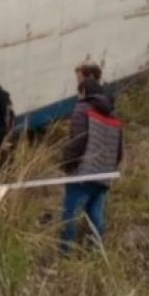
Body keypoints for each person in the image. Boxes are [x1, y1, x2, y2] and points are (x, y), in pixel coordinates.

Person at [60, 78, 123, 254]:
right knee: (95, 213)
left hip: (83, 172)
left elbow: (77, 140)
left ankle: (66, 253)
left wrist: (67, 164)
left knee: (70, 214)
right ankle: (97, 249)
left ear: (83, 92)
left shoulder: (82, 109)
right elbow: (119, 150)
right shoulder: (112, 114)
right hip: (104, 175)